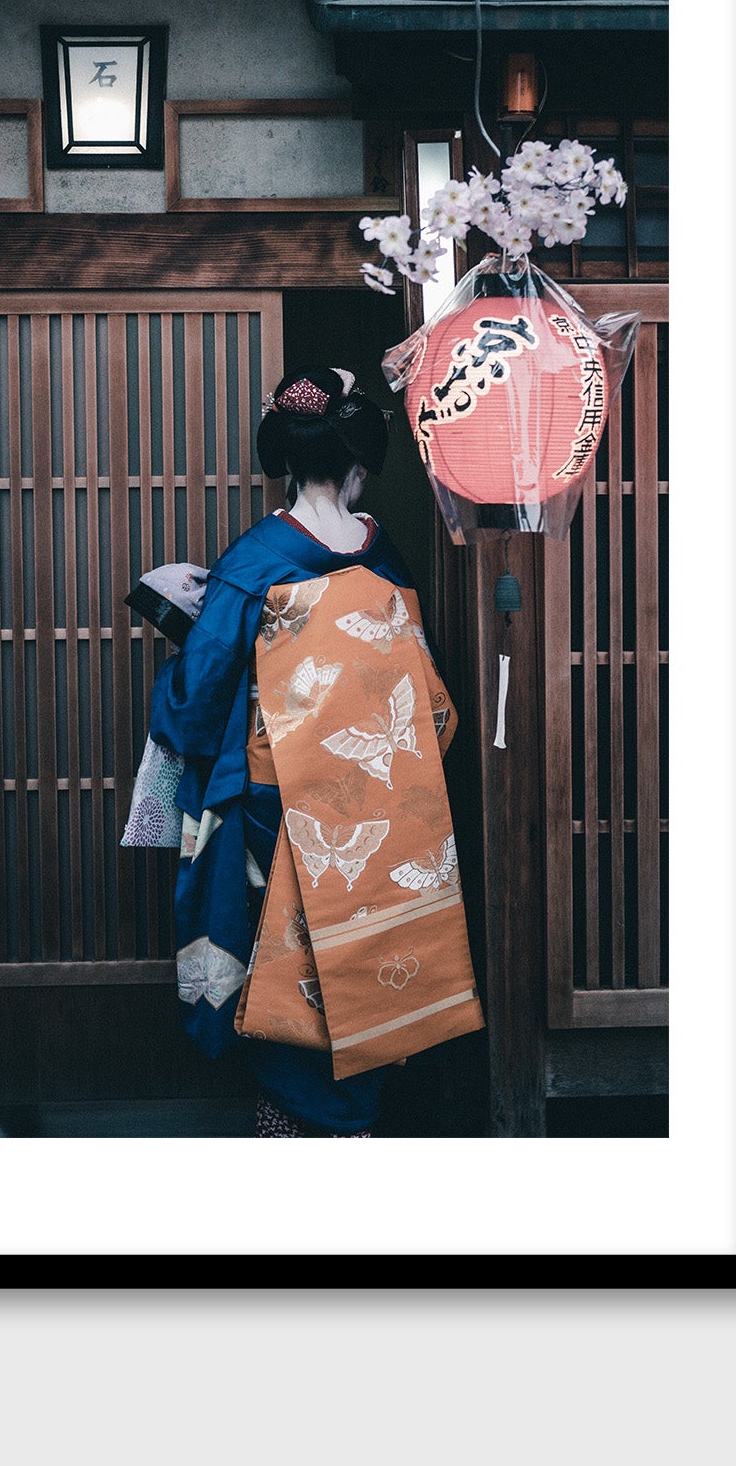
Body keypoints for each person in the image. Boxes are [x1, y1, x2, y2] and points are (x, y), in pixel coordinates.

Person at [149, 366, 428, 1137]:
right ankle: (357, 1125)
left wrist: (183, 651)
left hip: (277, 802)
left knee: (286, 957)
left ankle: (293, 1129)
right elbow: (424, 699)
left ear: (287, 458)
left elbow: (195, 705)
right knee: (363, 946)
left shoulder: (255, 560)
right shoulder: (386, 559)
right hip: (375, 798)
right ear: (359, 464)